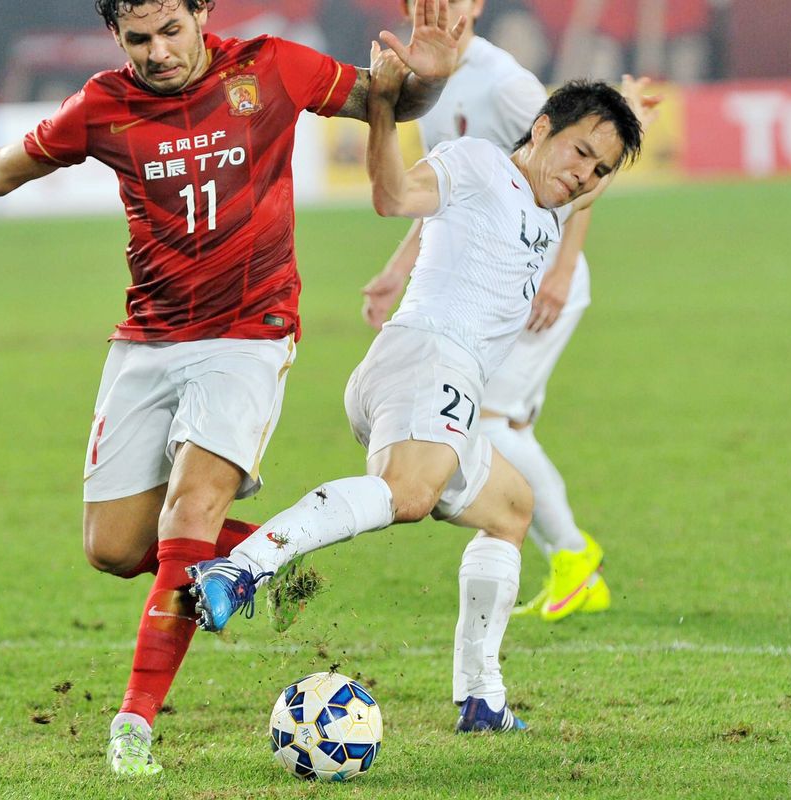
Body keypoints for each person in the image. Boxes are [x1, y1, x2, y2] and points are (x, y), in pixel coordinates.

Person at [0, 0, 467, 776]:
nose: (159, 51)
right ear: (116, 35)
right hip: (148, 338)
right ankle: (268, 562)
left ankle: (133, 722)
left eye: (172, 31)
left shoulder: (269, 67)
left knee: (191, 508)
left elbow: (386, 97)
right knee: (116, 548)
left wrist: (428, 80)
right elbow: (4, 167)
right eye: (140, 38)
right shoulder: (106, 105)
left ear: (203, 13)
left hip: (248, 332)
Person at [189, 51, 652, 734]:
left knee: (511, 510)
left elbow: (585, 187)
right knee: (408, 496)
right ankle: (243, 568)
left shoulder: (555, 203)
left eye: (600, 168)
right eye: (579, 152)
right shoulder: (476, 163)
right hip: (424, 357)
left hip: (444, 382)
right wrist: (381, 107)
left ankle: (482, 700)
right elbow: (392, 197)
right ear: (542, 126)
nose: (583, 173)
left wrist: (628, 120)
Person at [362, 0, 608, 622]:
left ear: (476, 6)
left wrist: (559, 271)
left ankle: (574, 557)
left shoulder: (507, 84)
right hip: (490, 279)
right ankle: (556, 550)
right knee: (494, 423)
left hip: (535, 276)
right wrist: (396, 271)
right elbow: (458, 195)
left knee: (493, 422)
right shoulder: (430, 81)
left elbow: (580, 174)